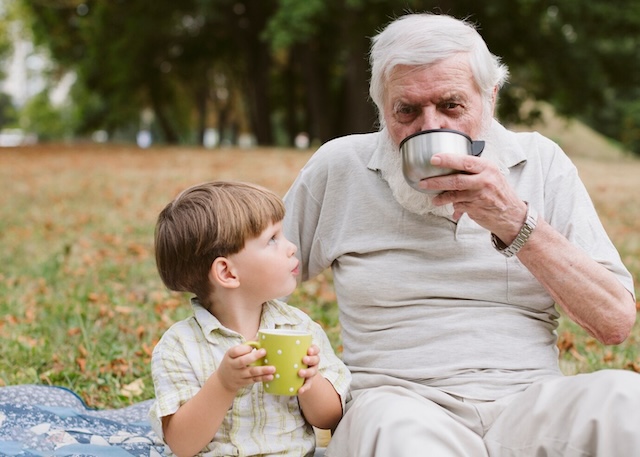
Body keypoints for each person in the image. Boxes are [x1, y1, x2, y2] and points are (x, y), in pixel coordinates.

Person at [283, 12, 639, 457]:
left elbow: (614, 321)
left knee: (627, 403)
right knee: (390, 430)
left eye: (451, 105)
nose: (430, 127)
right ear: (382, 109)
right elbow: (249, 277)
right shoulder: (340, 167)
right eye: (407, 110)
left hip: (528, 406)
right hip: (401, 406)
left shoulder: (541, 163)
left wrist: (513, 220)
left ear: (489, 98)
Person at [149, 181, 351, 457]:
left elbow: (329, 419)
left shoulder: (299, 329)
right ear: (228, 273)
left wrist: (310, 381)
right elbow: (181, 445)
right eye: (272, 240)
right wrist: (223, 384)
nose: (291, 247)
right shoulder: (179, 347)